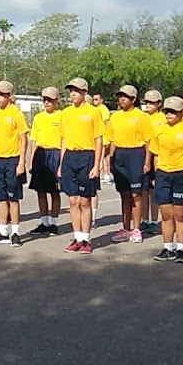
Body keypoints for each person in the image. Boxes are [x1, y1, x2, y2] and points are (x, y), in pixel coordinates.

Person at [58, 78, 104, 254]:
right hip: (70, 157)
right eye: (71, 91)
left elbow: (99, 139)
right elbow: (63, 139)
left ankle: (85, 239)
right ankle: (77, 238)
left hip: (87, 156)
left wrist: (97, 163)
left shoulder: (93, 112)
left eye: (76, 90)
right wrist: (61, 164)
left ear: (84, 92)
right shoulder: (66, 113)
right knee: (72, 200)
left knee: (85, 200)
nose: (73, 94)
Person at [148, 97, 183, 263]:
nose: (169, 114)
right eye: (166, 111)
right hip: (164, 174)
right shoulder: (159, 130)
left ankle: (181, 248)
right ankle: (168, 247)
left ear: (181, 113)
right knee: (166, 214)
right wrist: (155, 175)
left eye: (173, 111)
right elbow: (155, 154)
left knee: (180, 214)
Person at [106, 84, 154, 244]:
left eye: (125, 96)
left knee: (136, 194)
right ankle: (125, 228)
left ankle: (136, 229)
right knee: (124, 194)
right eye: (120, 96)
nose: (122, 99)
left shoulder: (141, 116)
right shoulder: (115, 117)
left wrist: (147, 162)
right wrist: (111, 160)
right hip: (120, 155)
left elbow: (148, 141)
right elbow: (111, 140)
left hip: (136, 154)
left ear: (133, 99)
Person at [0, 80, 29, 247]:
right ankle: (3, 231)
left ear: (10, 96)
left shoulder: (16, 114)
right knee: (1, 198)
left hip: (13, 159)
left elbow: (23, 139)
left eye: (2, 94)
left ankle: (15, 232)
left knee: (13, 198)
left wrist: (21, 163)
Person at [27, 86, 64, 236]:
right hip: (40, 155)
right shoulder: (38, 117)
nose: (47, 102)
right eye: (45, 99)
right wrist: (31, 161)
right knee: (40, 191)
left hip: (55, 154)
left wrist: (62, 162)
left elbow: (64, 140)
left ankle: (53, 223)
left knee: (54, 192)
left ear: (57, 100)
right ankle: (44, 222)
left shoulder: (62, 116)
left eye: (50, 99)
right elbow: (34, 140)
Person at [140, 90, 165, 234]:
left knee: (153, 191)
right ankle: (145, 220)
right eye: (146, 102)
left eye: (152, 102)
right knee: (143, 190)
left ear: (159, 104)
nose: (148, 105)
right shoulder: (143, 117)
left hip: (157, 157)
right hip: (142, 155)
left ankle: (154, 221)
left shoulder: (162, 118)